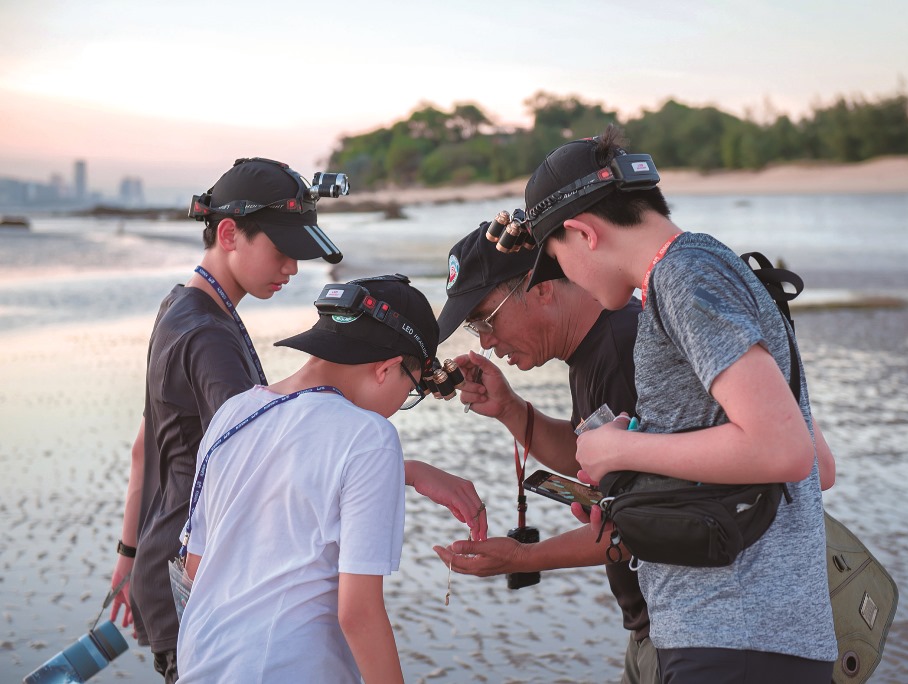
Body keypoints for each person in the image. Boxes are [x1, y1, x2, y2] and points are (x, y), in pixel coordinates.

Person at [106, 159, 486, 682]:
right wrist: (406, 467)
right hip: (222, 593)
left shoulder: (187, 313)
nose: (291, 268)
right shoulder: (210, 338)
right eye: (282, 251)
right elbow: (278, 451)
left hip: (195, 602)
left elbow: (147, 445)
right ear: (228, 233)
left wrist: (129, 552)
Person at [518, 126, 838, 684]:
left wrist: (618, 445)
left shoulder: (682, 277)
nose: (568, 280)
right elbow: (817, 464)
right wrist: (632, 482)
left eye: (558, 262)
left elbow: (783, 450)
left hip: (729, 634)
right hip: (764, 635)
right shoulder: (717, 270)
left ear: (581, 233)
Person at [175, 275, 453, 683]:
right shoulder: (369, 437)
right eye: (412, 390)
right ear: (389, 367)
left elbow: (195, 567)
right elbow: (359, 613)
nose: (399, 406)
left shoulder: (233, 414)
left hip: (202, 665)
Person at [431, 221, 658, 684]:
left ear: (540, 289)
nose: (484, 343)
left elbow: (645, 523)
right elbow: (590, 460)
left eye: (484, 320)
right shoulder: (597, 344)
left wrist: (520, 558)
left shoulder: (623, 348)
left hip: (684, 627)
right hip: (649, 628)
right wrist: (511, 410)